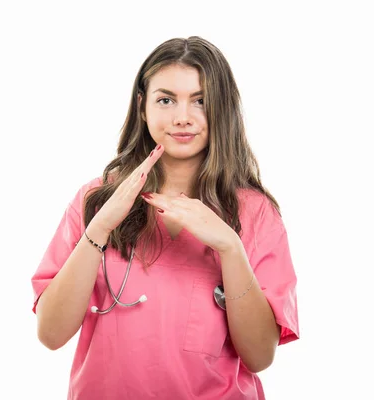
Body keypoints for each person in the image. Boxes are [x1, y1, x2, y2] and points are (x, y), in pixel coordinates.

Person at [30, 36, 299, 399]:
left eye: (200, 101)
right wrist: (99, 229)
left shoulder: (255, 214)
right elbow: (50, 334)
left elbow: (259, 354)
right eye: (166, 99)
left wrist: (231, 248)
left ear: (222, 108)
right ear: (143, 106)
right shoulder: (96, 200)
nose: (183, 117)